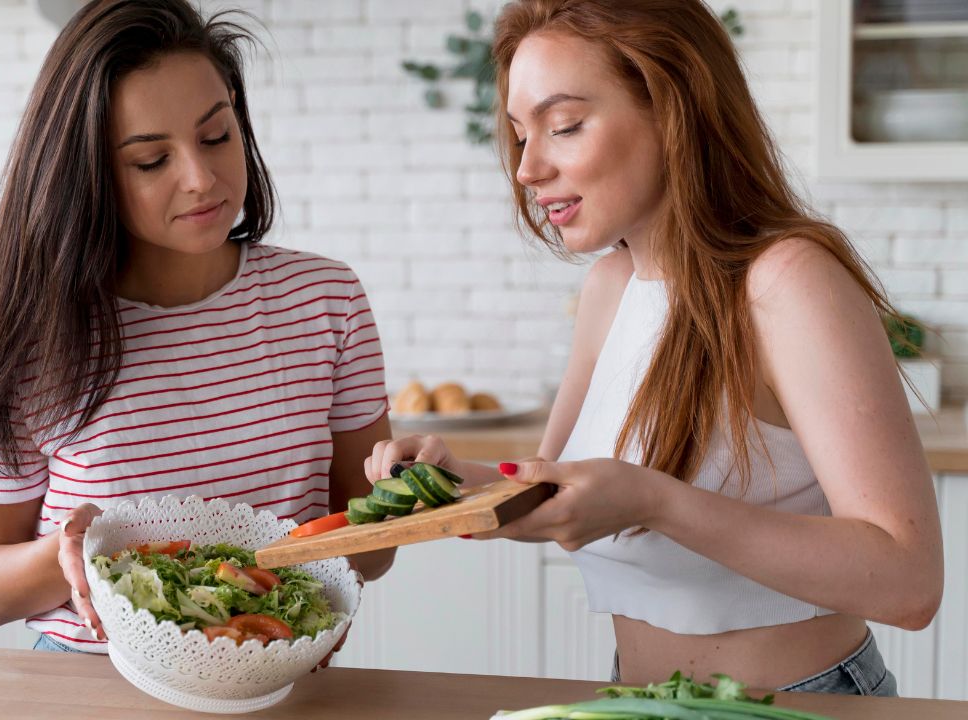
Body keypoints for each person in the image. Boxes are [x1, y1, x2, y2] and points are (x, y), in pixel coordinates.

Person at [365, 0, 942, 696]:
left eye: (565, 125)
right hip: (632, 697)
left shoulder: (787, 281)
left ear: (676, 110)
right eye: (521, 135)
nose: (527, 168)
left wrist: (656, 502)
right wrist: (451, 479)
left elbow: (909, 582)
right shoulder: (613, 285)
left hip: (801, 704)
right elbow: (552, 496)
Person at [0, 0, 393, 654]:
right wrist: (71, 551)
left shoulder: (325, 301)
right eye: (151, 160)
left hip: (275, 680)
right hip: (90, 689)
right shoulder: (33, 338)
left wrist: (402, 503)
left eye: (216, 136)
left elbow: (370, 553)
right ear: (88, 174)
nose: (201, 179)